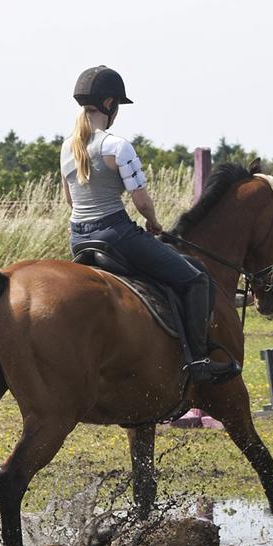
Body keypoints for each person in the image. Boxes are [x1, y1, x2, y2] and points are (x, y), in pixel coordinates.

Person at [60, 65, 240, 384]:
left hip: (79, 239)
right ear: (110, 105)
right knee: (196, 278)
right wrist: (153, 222)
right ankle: (198, 361)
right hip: (115, 235)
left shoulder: (67, 147)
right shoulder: (116, 146)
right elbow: (141, 201)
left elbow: (71, 202)